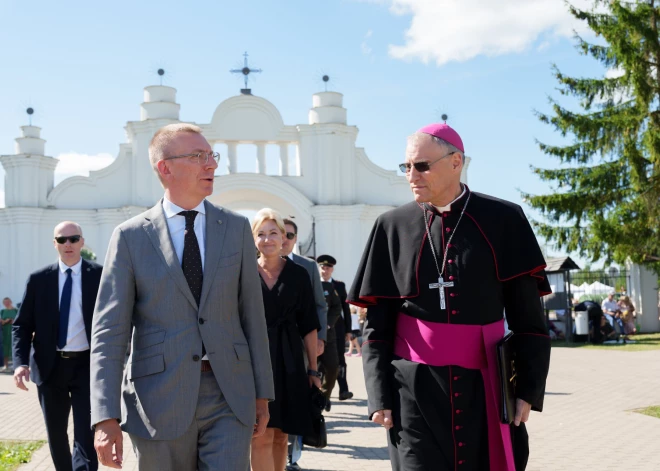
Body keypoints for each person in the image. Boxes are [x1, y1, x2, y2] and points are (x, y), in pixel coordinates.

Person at [348, 123, 552, 471]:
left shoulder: (504, 220)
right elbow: (377, 328)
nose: (412, 175)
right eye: (407, 166)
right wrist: (378, 396)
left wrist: (529, 389)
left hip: (486, 385)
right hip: (412, 389)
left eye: (422, 166)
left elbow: (529, 319)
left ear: (456, 162)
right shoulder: (391, 226)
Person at [90, 123, 274, 471]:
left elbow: (252, 316)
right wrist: (104, 417)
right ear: (165, 167)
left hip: (229, 395)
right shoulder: (130, 236)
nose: (211, 165)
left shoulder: (235, 228)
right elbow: (109, 333)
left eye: (211, 156)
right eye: (198, 156)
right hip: (157, 400)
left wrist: (262, 393)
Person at [12, 221, 102, 471]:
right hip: (49, 369)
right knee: (56, 434)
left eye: (73, 239)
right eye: (62, 240)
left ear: (82, 242)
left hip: (87, 367)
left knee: (86, 432)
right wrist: (19, 364)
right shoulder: (39, 279)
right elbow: (21, 325)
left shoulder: (100, 276)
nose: (68, 244)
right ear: (55, 244)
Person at [251, 208, 321, 471]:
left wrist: (313, 369)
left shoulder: (299, 274)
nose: (267, 239)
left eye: (273, 233)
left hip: (290, 360)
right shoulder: (243, 272)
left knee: (282, 435)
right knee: (260, 433)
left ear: (283, 237)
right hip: (255, 361)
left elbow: (309, 326)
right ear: (253, 239)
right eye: (261, 234)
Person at [280, 218, 328, 471]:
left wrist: (320, 338)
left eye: (290, 235)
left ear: (295, 239)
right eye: (281, 233)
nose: (285, 240)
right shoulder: (255, 265)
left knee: (300, 398)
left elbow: (319, 305)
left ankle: (293, 456)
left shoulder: (307, 267)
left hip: (302, 344)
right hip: (273, 346)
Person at [1, 297, 18, 371]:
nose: (6, 304)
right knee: (5, 347)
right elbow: (1, 321)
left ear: (10, 302)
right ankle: (6, 365)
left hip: (14, 331)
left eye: (7, 302)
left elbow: (19, 319)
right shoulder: (2, 311)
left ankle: (16, 366)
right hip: (5, 331)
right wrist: (5, 321)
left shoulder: (16, 310)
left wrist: (13, 321)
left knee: (14, 347)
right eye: (5, 303)